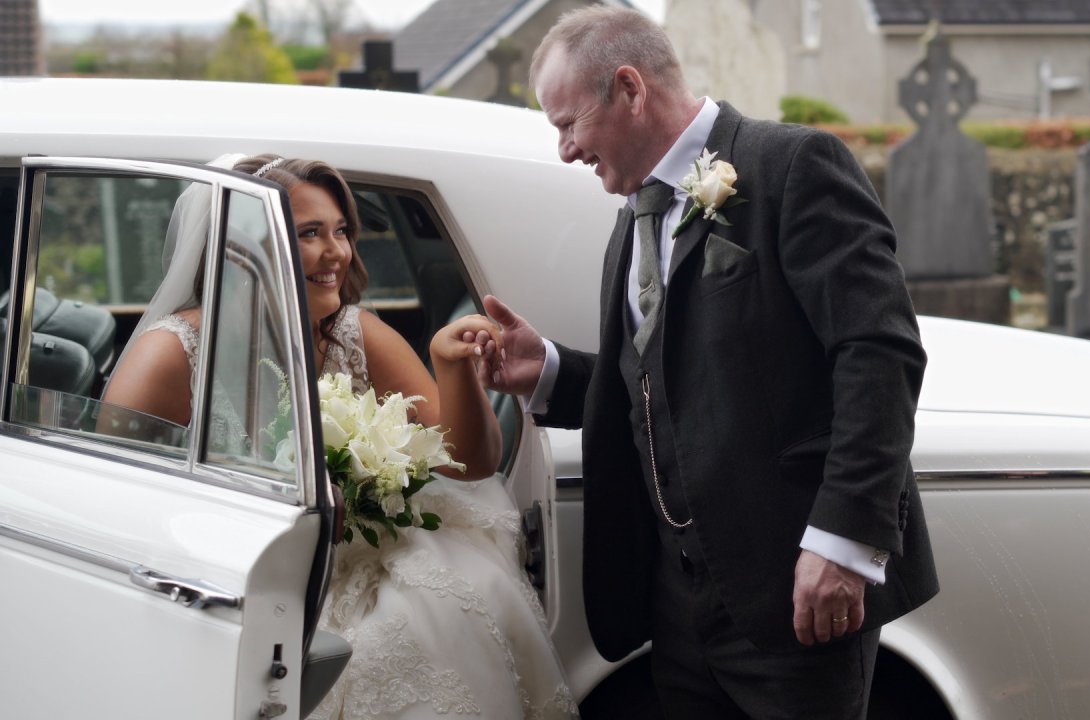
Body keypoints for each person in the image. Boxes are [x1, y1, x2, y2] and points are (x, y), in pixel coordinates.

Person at [480, 7, 938, 719]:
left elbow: (879, 352)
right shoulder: (633, 217)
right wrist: (549, 371)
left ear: (629, 88)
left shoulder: (791, 166)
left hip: (793, 585)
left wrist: (845, 543)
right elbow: (672, 378)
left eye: (568, 124)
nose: (566, 150)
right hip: (677, 606)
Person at [104, 154, 578, 720]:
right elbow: (120, 510)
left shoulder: (357, 331)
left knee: (434, 611)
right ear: (242, 248)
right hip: (247, 577)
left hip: (365, 559)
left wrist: (449, 366)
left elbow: (470, 464)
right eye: (309, 234)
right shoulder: (169, 355)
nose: (337, 253)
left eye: (341, 231)